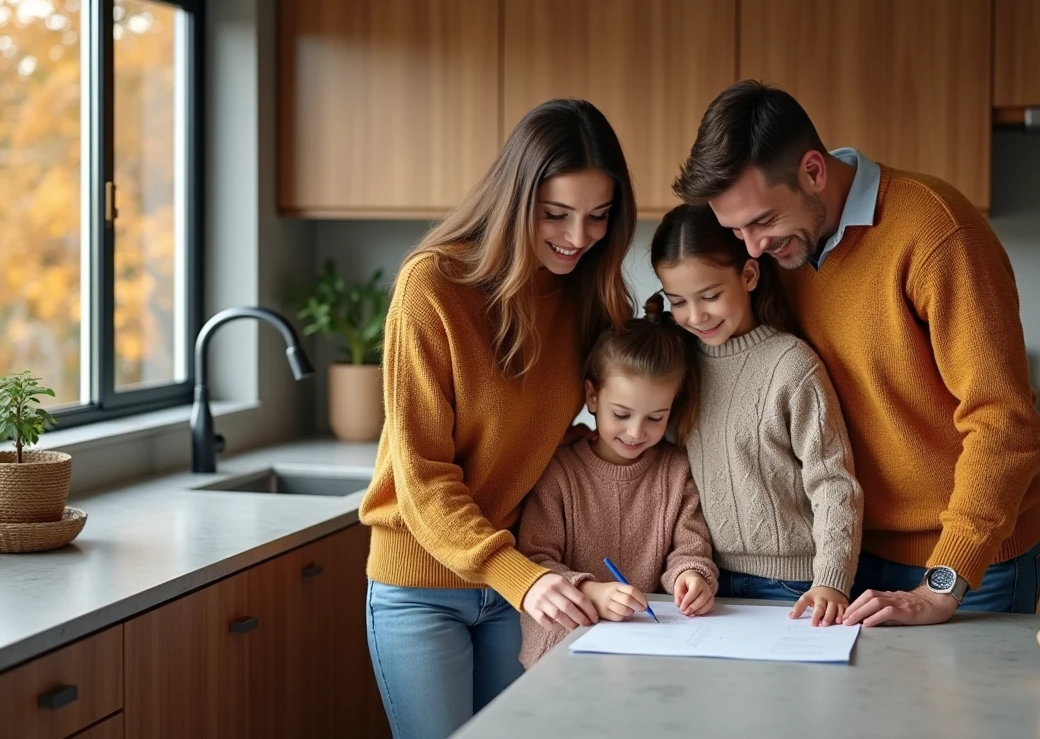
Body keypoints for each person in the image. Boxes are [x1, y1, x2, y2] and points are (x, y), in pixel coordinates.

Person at [672, 80, 1040, 627]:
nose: (752, 248)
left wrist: (945, 580)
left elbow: (1005, 422)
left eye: (761, 222)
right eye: (736, 230)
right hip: (851, 559)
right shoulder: (782, 252)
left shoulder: (937, 232)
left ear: (813, 171)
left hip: (971, 566)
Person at [359, 98, 638, 739]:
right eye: (556, 215)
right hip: (424, 585)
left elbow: (594, 423)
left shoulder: (587, 292)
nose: (577, 236)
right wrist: (518, 577)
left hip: (524, 583)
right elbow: (423, 475)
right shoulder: (433, 285)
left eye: (598, 217)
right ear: (517, 201)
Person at [650, 204, 863, 627]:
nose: (696, 316)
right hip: (708, 580)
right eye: (678, 302)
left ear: (749, 276)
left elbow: (832, 481)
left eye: (710, 296)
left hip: (797, 586)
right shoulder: (678, 365)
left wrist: (832, 579)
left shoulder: (792, 365)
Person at [516, 295, 718, 666]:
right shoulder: (559, 471)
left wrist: (691, 577)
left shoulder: (676, 471)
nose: (636, 432)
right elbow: (535, 560)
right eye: (621, 414)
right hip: (566, 649)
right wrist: (590, 591)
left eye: (656, 418)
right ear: (592, 396)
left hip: (648, 649)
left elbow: (690, 546)